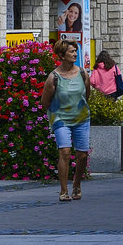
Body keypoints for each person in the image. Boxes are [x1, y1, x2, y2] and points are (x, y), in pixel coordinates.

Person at [41, 38, 91, 202]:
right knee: (65, 152)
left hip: (81, 118)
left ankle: (77, 184)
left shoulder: (83, 73)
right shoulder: (53, 77)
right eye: (71, 51)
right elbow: (45, 102)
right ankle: (63, 190)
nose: (75, 54)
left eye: (75, 51)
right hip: (61, 118)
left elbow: (87, 95)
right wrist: (55, 114)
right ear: (62, 55)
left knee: (82, 155)